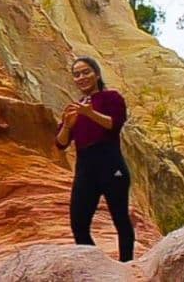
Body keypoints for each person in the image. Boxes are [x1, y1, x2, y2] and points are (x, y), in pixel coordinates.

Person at [55, 56, 135, 262]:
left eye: (86, 72)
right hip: (86, 167)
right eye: (77, 74)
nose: (81, 77)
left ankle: (127, 266)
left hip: (110, 163)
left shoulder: (111, 97)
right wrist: (67, 124)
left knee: (120, 219)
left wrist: (89, 113)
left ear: (97, 74)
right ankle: (97, 267)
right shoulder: (75, 107)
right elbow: (61, 143)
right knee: (78, 223)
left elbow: (113, 124)